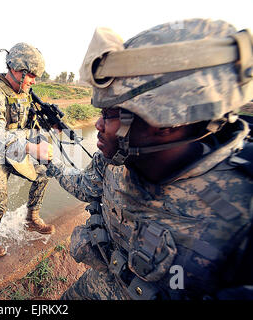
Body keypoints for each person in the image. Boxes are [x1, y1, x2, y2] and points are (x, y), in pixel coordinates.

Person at [45, 19, 253, 299]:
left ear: (167, 122)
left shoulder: (240, 220)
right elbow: (85, 187)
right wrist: (47, 163)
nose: (97, 124)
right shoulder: (117, 157)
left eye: (110, 114)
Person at [0, 43, 55, 258]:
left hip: (13, 147)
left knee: (44, 173)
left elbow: (23, 124)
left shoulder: (22, 91)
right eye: (31, 76)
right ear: (18, 70)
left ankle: (32, 218)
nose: (34, 81)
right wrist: (32, 148)